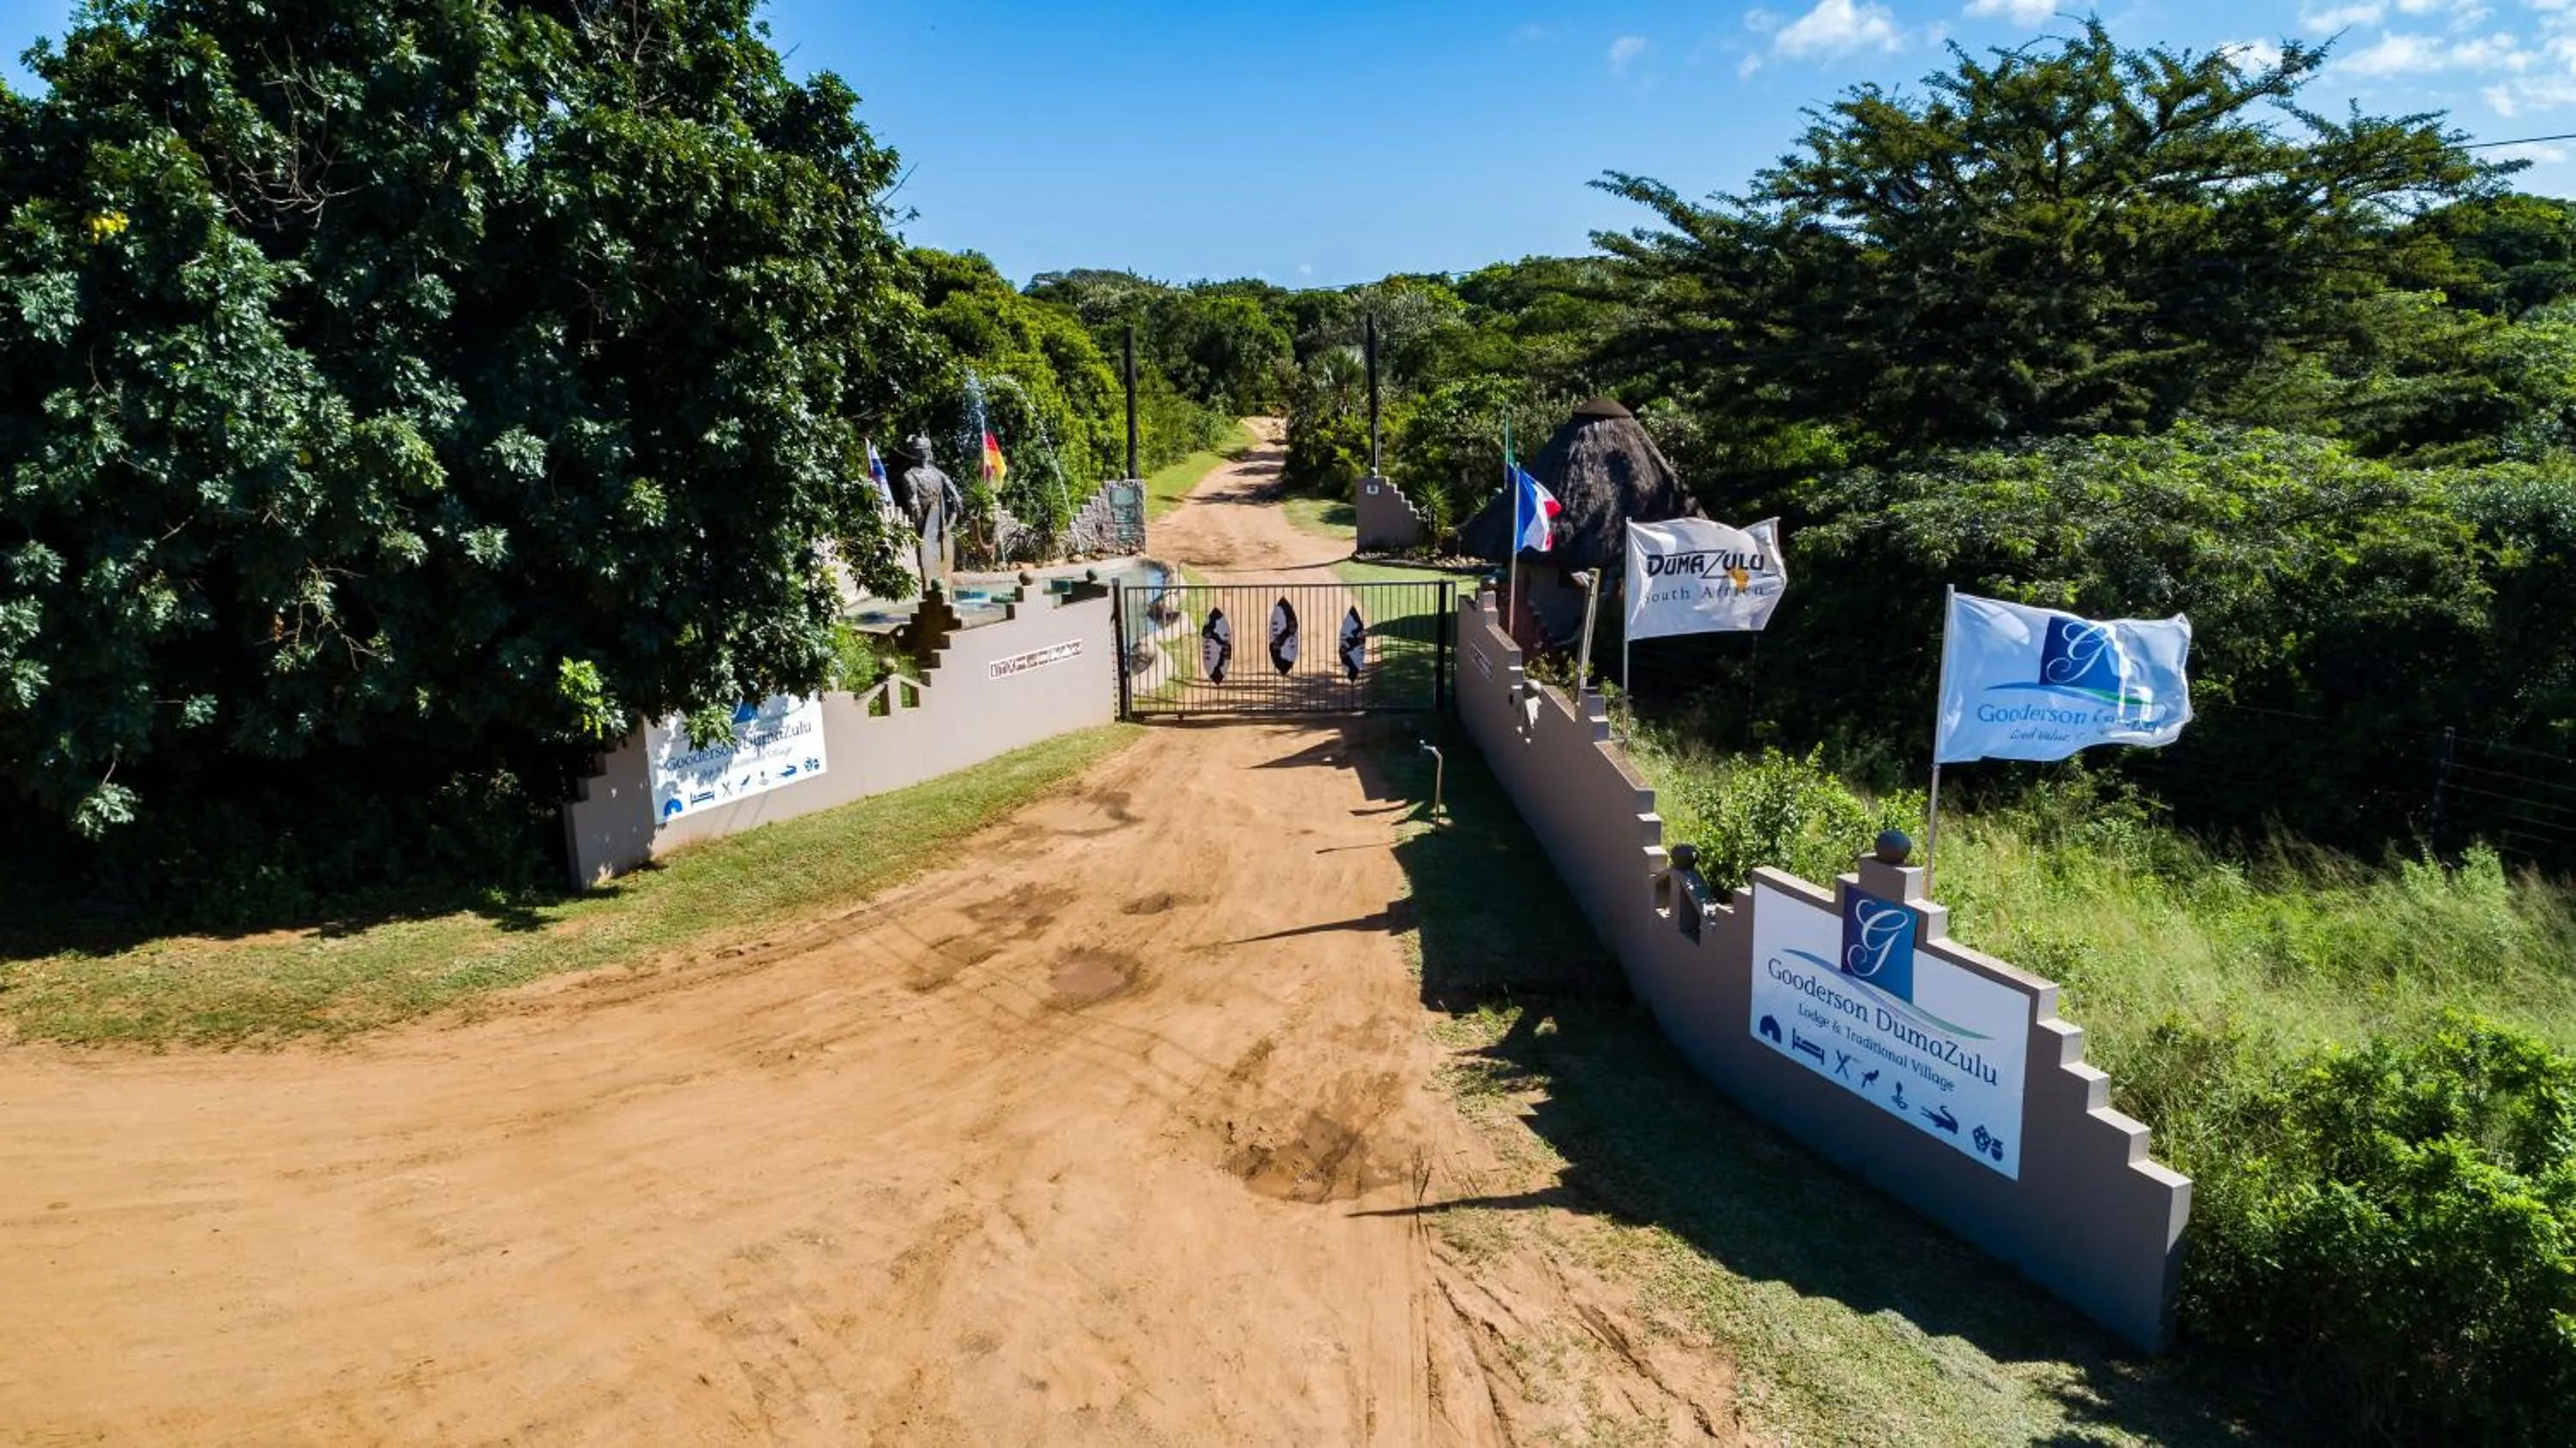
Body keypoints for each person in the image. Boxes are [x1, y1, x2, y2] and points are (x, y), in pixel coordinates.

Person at [900, 434, 962, 590]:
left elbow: (914, 506)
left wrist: (922, 531)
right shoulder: (938, 474)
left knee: (928, 570)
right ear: (928, 452)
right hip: (941, 525)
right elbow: (957, 500)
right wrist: (949, 524)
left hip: (928, 527)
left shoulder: (910, 476)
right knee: (941, 570)